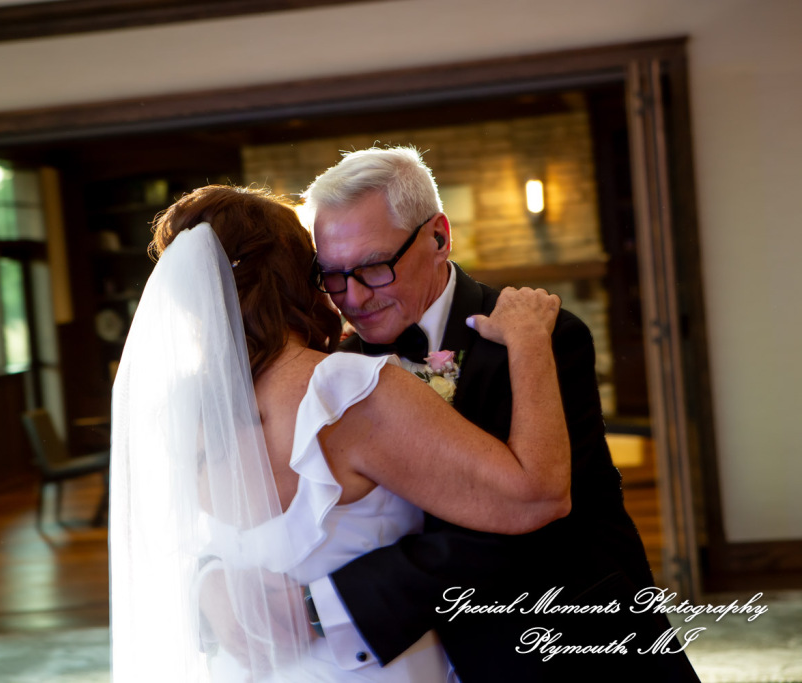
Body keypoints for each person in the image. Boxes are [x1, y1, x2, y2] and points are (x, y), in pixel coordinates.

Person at [109, 184, 568, 681]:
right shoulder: (345, 390)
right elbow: (536, 497)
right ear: (300, 275)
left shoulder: (180, 409)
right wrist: (529, 341)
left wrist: (209, 581)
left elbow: (164, 549)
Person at [302, 146, 700, 682]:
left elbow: (528, 524)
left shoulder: (540, 335)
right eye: (332, 274)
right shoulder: (340, 372)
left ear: (438, 237)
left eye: (374, 267)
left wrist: (334, 601)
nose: (351, 298)